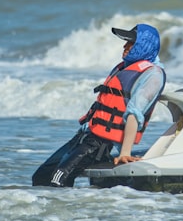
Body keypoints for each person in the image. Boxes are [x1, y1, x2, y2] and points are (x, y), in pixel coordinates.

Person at [32, 23, 166, 187]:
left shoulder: (153, 74)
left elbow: (134, 114)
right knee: (41, 178)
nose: (124, 46)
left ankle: (67, 212)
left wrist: (124, 153)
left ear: (143, 46)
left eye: (131, 43)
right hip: (84, 137)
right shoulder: (123, 67)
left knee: (57, 181)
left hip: (100, 144)